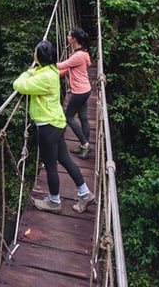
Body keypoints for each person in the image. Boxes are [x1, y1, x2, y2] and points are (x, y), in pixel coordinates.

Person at [13, 39, 95, 214]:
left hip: (48, 127)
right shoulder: (50, 70)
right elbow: (38, 71)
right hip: (56, 124)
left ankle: (54, 201)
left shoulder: (44, 77)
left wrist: (27, 73)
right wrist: (34, 70)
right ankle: (85, 193)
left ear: (39, 56)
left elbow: (18, 85)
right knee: (65, 159)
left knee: (50, 165)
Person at [56, 27, 93, 159]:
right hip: (85, 90)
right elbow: (68, 69)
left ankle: (85, 144)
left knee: (69, 118)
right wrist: (57, 75)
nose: (67, 37)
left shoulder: (77, 55)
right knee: (83, 117)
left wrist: (43, 62)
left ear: (74, 39)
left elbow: (61, 65)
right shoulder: (83, 52)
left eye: (69, 35)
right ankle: (84, 146)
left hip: (79, 92)